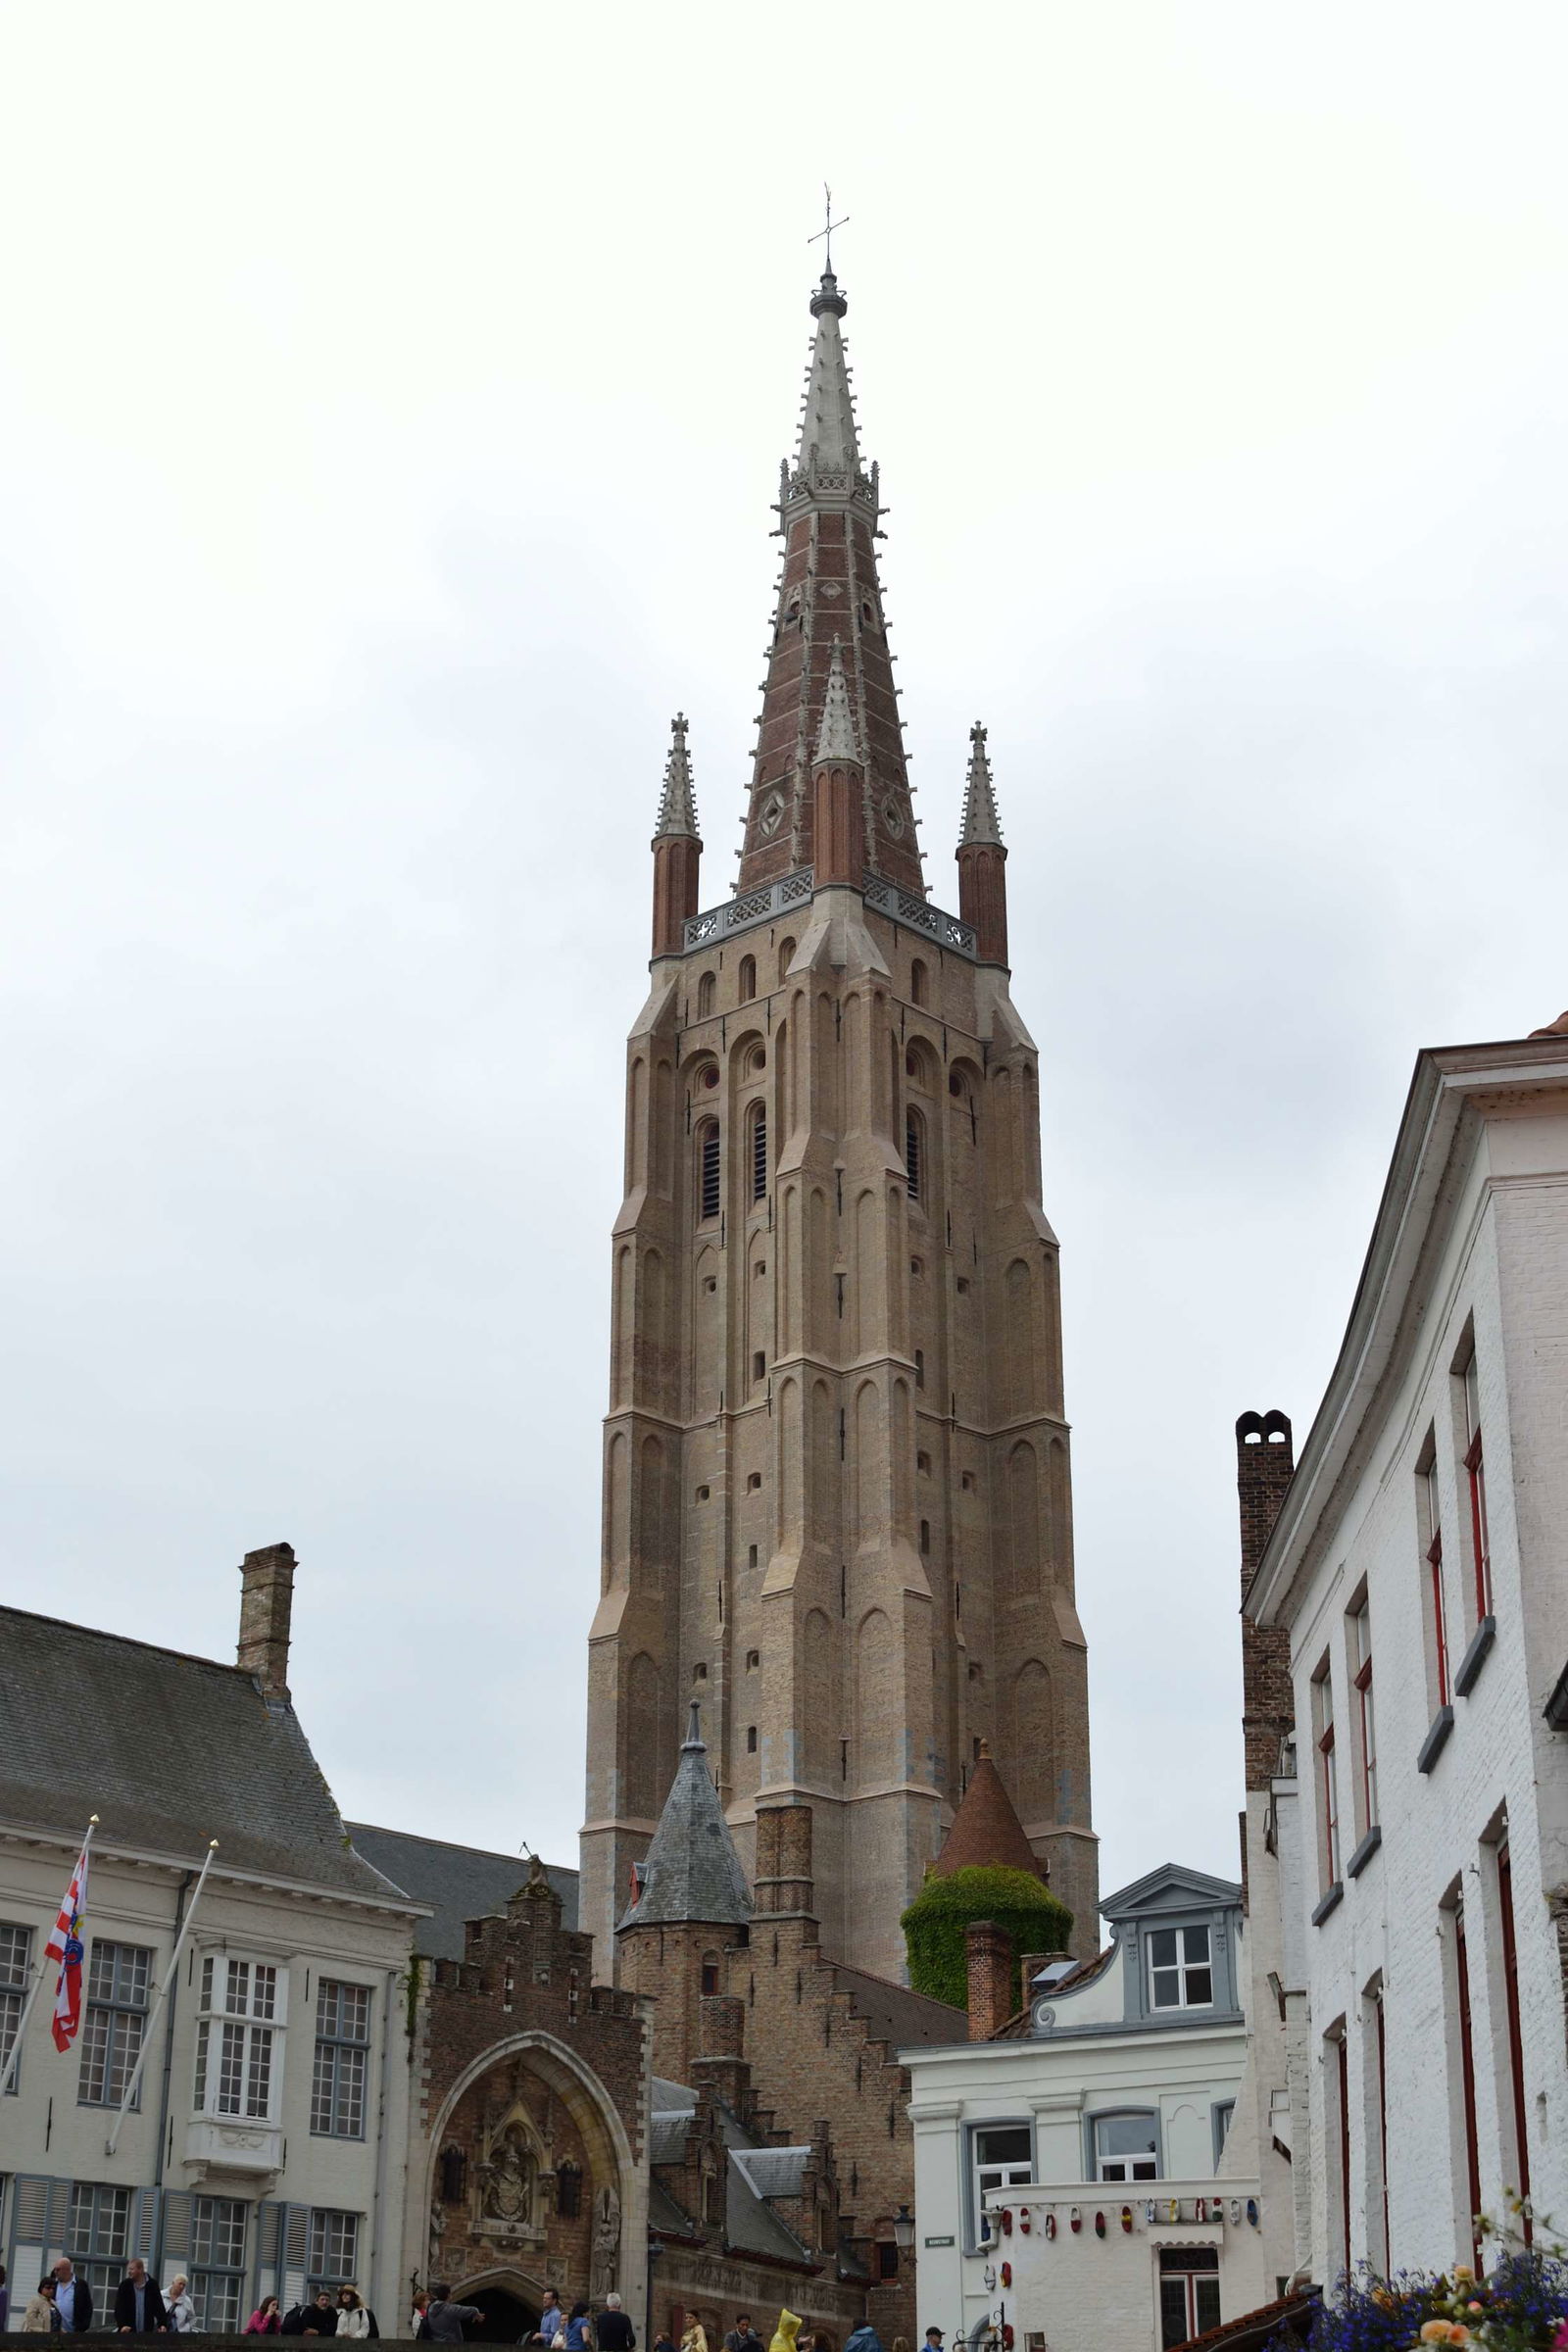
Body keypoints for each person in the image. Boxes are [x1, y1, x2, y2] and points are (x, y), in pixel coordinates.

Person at [114, 2260, 169, 2334]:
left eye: (132, 2269)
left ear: (140, 2269)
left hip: (147, 2331)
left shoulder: (152, 2285)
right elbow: (119, 2308)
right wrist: (122, 2326)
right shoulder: (125, 2285)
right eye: (128, 2269)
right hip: (128, 2331)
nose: (129, 2272)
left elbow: (159, 2306)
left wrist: (162, 2324)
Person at [51, 2263, 92, 2334]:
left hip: (74, 2332)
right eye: (54, 2269)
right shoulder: (53, 2285)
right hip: (54, 2331)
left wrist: (83, 2326)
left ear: (67, 2270)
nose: (55, 2272)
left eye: (58, 2269)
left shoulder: (81, 2284)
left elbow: (88, 2307)